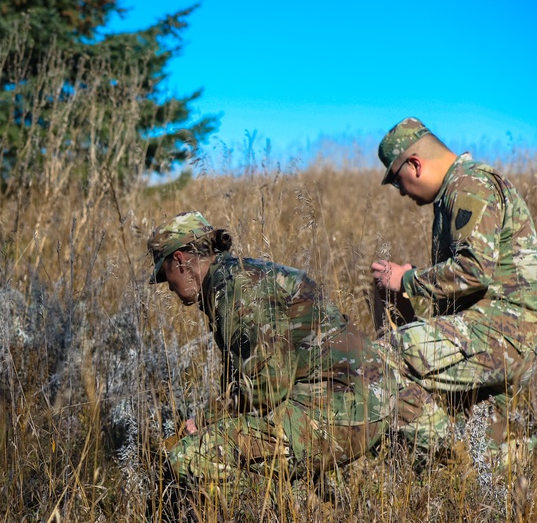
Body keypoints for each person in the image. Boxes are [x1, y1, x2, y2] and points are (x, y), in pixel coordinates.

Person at [148, 211, 451, 498]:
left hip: (347, 410)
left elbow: (268, 385)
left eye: (166, 276)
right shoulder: (245, 275)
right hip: (375, 394)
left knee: (193, 455)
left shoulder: (236, 290)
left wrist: (205, 420)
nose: (170, 289)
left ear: (180, 261)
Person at [371, 117, 537, 443]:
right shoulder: (457, 190)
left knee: (385, 357)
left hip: (502, 332)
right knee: (494, 463)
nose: (402, 192)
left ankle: (440, 456)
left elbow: (474, 269)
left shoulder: (469, 185)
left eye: (396, 180)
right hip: (500, 333)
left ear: (415, 164)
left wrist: (408, 280)